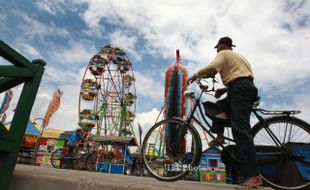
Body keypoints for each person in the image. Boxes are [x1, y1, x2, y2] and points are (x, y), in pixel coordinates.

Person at [187, 37, 262, 186]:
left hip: (239, 89)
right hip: (243, 87)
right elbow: (242, 76)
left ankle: (254, 176)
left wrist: (196, 75)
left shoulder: (224, 53)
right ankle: (220, 136)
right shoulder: (240, 57)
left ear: (221, 46)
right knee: (219, 106)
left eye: (217, 48)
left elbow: (213, 67)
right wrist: (225, 89)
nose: (217, 50)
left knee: (240, 131)